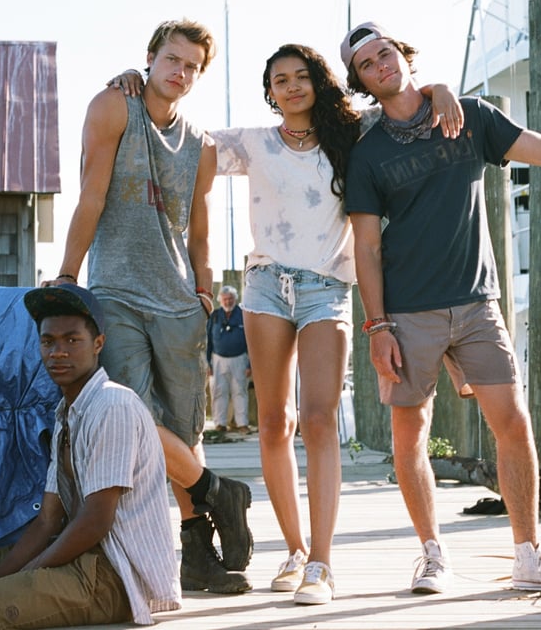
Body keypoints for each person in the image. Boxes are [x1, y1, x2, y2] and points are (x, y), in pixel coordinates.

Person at [107, 43, 462, 606]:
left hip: (327, 288)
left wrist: (440, 88)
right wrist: (135, 80)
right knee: (274, 423)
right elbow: (170, 129)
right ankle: (295, 551)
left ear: (318, 83)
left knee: (320, 419)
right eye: (280, 80)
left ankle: (322, 563)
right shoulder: (251, 142)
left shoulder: (356, 133)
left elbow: (407, 104)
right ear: (268, 90)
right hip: (266, 285)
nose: (292, 86)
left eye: (301, 77)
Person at [341, 22, 541, 595]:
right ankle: (432, 553)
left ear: (404, 55)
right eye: (367, 65)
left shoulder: (470, 114)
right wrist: (378, 325)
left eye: (386, 53)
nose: (381, 65)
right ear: (361, 81)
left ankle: (528, 555)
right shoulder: (368, 153)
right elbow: (367, 245)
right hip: (408, 313)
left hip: (479, 304)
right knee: (410, 436)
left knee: (513, 424)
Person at [51, 19, 252, 595]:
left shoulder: (203, 145)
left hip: (179, 301)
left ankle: (197, 554)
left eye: (191, 66)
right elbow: (91, 194)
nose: (180, 72)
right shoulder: (114, 107)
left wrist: (207, 289)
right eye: (172, 59)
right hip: (117, 291)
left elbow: (201, 231)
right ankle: (220, 491)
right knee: (136, 416)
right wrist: (69, 274)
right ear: (150, 58)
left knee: (184, 429)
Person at [0, 284, 180, 629]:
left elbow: (96, 520)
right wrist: (2, 575)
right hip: (83, 564)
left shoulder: (112, 405)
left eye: (72, 340)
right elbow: (47, 520)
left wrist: (28, 573)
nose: (58, 352)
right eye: (48, 341)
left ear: (98, 343)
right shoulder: (65, 413)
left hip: (117, 576)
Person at [206, 285, 251, 433]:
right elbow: (208, 340)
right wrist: (207, 363)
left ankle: (242, 424)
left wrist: (250, 364)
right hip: (218, 359)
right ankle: (220, 424)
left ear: (235, 299)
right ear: (220, 300)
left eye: (230, 299)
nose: (228, 301)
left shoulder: (243, 314)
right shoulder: (215, 316)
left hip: (240, 358)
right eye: (225, 299)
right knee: (219, 392)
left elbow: (251, 341)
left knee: (240, 391)